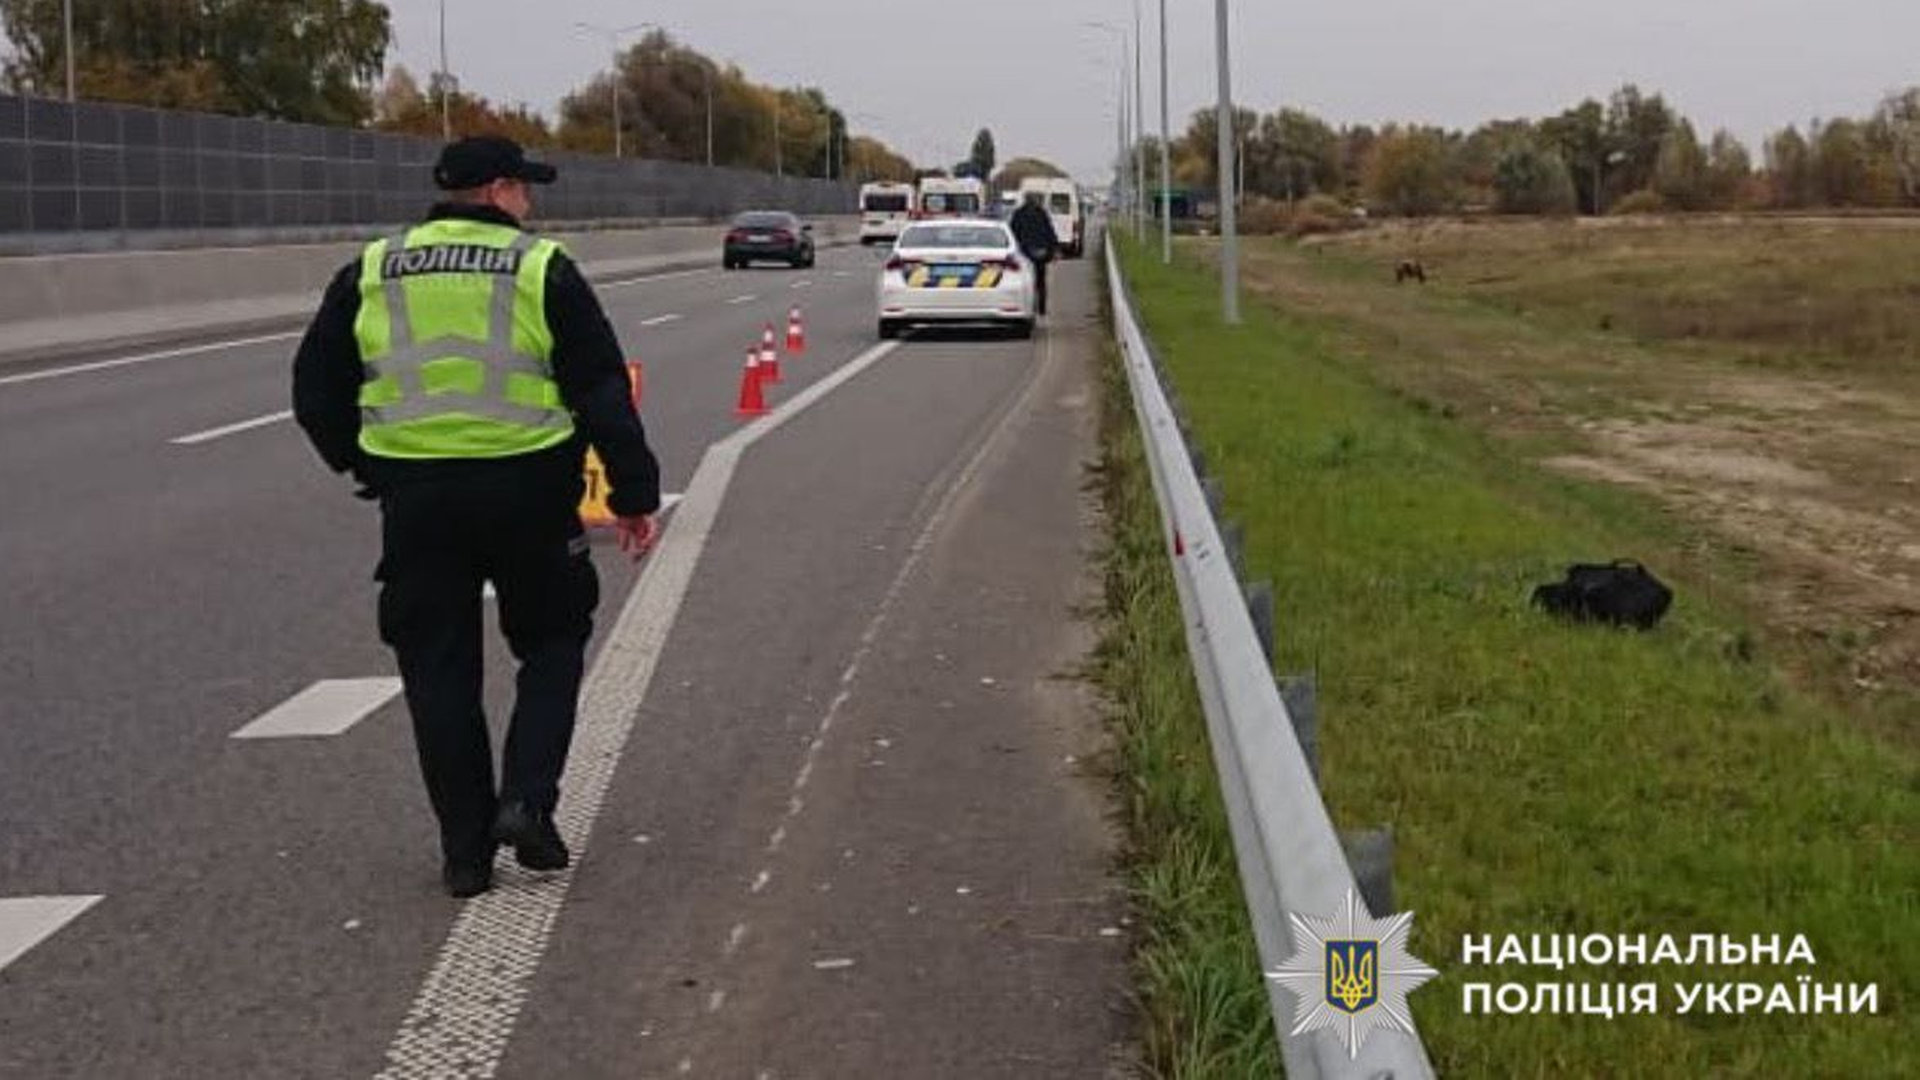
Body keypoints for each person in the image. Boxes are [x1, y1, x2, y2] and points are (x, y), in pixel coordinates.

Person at [292, 136, 663, 898]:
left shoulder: (371, 268)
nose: (530, 201)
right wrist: (633, 496)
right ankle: (526, 801)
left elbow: (314, 389)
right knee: (554, 642)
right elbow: (599, 390)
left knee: (438, 669)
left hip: (419, 499)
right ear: (497, 191)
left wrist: (367, 465)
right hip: (529, 490)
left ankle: (465, 853)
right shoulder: (539, 267)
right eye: (524, 188)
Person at [1008, 191, 1061, 316]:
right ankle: (1041, 308)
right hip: (1041, 251)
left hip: (1025, 252)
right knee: (1041, 281)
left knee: (1027, 280)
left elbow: (1013, 232)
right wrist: (1054, 249)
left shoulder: (1018, 214)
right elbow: (1050, 231)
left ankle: (1030, 306)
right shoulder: (1041, 213)